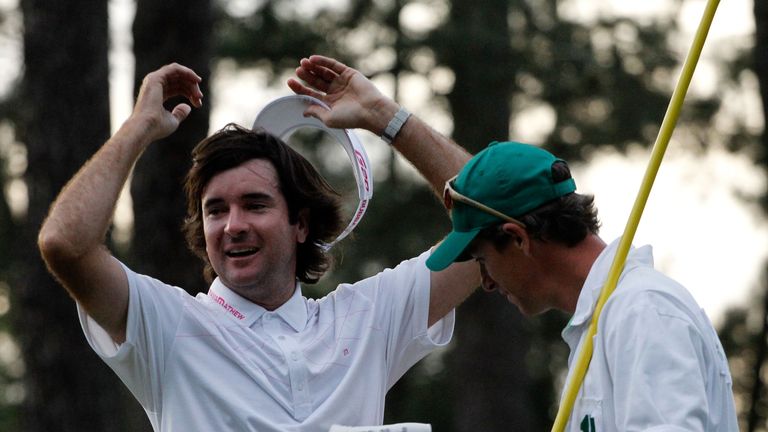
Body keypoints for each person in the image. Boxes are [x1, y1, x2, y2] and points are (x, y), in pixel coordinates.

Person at [291, 55, 738, 431]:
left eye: (482, 260)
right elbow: (473, 197)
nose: (484, 283)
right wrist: (385, 118)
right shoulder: (608, 321)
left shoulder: (641, 313)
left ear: (518, 239)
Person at [38, 62, 478, 431]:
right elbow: (65, 243)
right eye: (215, 210)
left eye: (255, 204)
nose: (233, 226)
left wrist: (386, 117)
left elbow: (492, 217)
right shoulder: (167, 325)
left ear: (300, 224)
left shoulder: (367, 319)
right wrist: (137, 128)